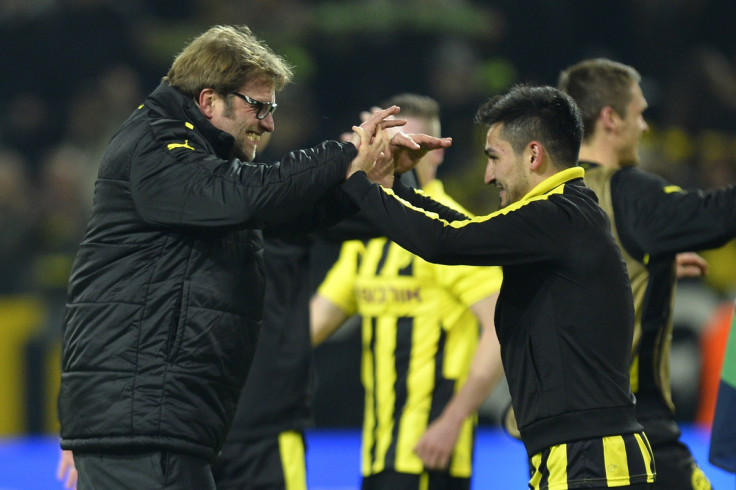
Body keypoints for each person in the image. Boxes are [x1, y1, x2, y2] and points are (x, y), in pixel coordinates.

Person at [56, 24, 450, 489]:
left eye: (273, 108)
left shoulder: (206, 170)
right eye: (258, 107)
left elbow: (293, 212)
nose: (268, 123)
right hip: (142, 424)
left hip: (164, 423)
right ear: (208, 101)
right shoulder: (156, 147)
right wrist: (347, 152)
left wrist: (374, 177)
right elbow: (250, 196)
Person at [340, 84, 657, 489]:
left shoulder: (557, 217)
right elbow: (463, 231)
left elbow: (444, 242)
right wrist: (396, 185)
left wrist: (359, 182)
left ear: (533, 155)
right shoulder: (561, 216)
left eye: (494, 158)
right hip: (576, 455)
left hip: (591, 458)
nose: (488, 175)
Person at [557, 57, 736, 489]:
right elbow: (715, 216)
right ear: (610, 118)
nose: (646, 127)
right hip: (634, 432)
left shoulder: (546, 200)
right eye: (639, 114)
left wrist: (646, 264)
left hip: (558, 440)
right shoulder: (628, 191)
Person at [310, 93, 503, 490]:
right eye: (392, 144)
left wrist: (452, 422)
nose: (400, 155)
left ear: (435, 153)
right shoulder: (369, 236)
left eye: (411, 145)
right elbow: (309, 327)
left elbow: (500, 331)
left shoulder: (456, 234)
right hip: (379, 452)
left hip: (432, 454)